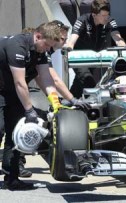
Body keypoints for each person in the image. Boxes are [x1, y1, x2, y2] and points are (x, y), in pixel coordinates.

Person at [0, 22, 62, 190]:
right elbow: (20, 82)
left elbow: (46, 79)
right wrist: (29, 110)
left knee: (14, 132)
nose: (48, 49)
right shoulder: (17, 46)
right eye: (47, 44)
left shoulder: (40, 50)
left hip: (10, 89)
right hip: (5, 87)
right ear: (38, 36)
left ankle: (11, 178)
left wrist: (55, 102)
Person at [66, 0, 126, 98]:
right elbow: (72, 39)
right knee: (88, 80)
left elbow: (118, 38)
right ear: (94, 15)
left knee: (79, 83)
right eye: (103, 15)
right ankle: (93, 103)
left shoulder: (110, 20)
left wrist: (124, 48)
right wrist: (69, 47)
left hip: (94, 56)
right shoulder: (82, 20)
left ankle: (70, 101)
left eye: (107, 15)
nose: (106, 18)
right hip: (79, 57)